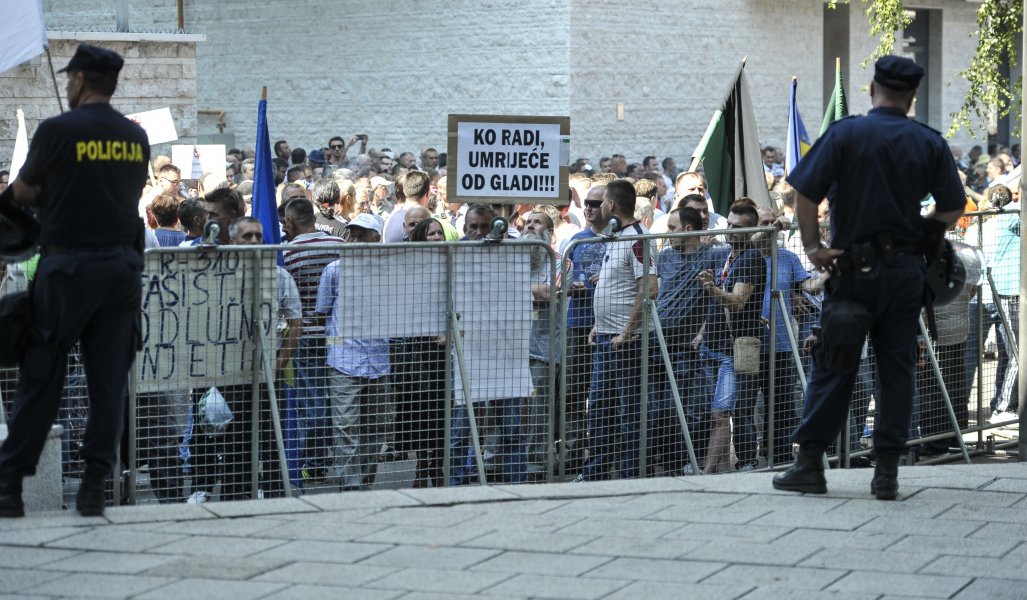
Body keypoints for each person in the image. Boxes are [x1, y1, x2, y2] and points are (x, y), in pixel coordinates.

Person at [773, 56, 965, 500]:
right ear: (912, 97)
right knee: (897, 370)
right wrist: (923, 231)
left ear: (873, 89)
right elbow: (953, 206)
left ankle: (809, 465)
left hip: (852, 272)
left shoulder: (846, 133)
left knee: (836, 362)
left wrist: (812, 246)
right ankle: (887, 473)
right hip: (906, 274)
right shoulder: (928, 141)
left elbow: (805, 192)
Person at [0, 44, 149, 518]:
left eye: (70, 78)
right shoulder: (135, 137)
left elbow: (23, 191)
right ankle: (94, 486)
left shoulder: (56, 130)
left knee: (42, 374)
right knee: (108, 382)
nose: (67, 84)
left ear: (80, 81)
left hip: (67, 270)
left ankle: (9, 486)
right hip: (121, 272)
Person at [575, 179, 658, 481]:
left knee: (629, 410)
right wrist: (600, 324)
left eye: (602, 202)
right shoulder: (617, 236)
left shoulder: (637, 238)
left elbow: (649, 289)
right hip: (607, 337)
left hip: (627, 341)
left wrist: (626, 331)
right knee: (600, 407)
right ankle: (595, 473)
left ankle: (631, 474)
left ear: (610, 204)